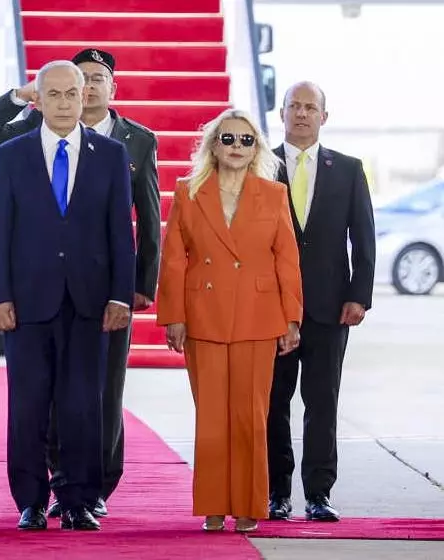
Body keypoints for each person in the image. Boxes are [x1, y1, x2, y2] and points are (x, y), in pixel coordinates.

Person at [0, 47, 160, 518]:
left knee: (83, 406)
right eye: (54, 94)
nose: (67, 101)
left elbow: (122, 229)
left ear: (85, 95)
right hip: (28, 301)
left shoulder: (112, 154)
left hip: (91, 301)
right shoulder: (12, 154)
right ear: (39, 100)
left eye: (74, 92)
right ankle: (30, 501)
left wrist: (121, 292)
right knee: (29, 406)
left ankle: (79, 499)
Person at [156, 108, 303, 533]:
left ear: (256, 147)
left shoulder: (273, 194)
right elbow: (174, 259)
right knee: (212, 416)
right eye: (228, 139)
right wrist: (174, 317)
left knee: (250, 416)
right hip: (203, 316)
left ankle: (248, 505)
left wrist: (292, 318)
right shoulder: (188, 191)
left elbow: (287, 260)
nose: (237, 147)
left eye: (246, 140)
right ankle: (214, 505)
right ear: (213, 146)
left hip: (260, 317)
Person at [267, 82, 376, 522]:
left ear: (324, 117)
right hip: (272, 307)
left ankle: (318, 493)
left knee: (323, 401)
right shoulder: (260, 163)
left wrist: (359, 296)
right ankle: (277, 492)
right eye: (295, 106)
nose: (302, 114)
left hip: (331, 307)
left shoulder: (348, 169)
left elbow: (363, 237)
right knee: (274, 402)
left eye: (311, 107)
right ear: (282, 112)